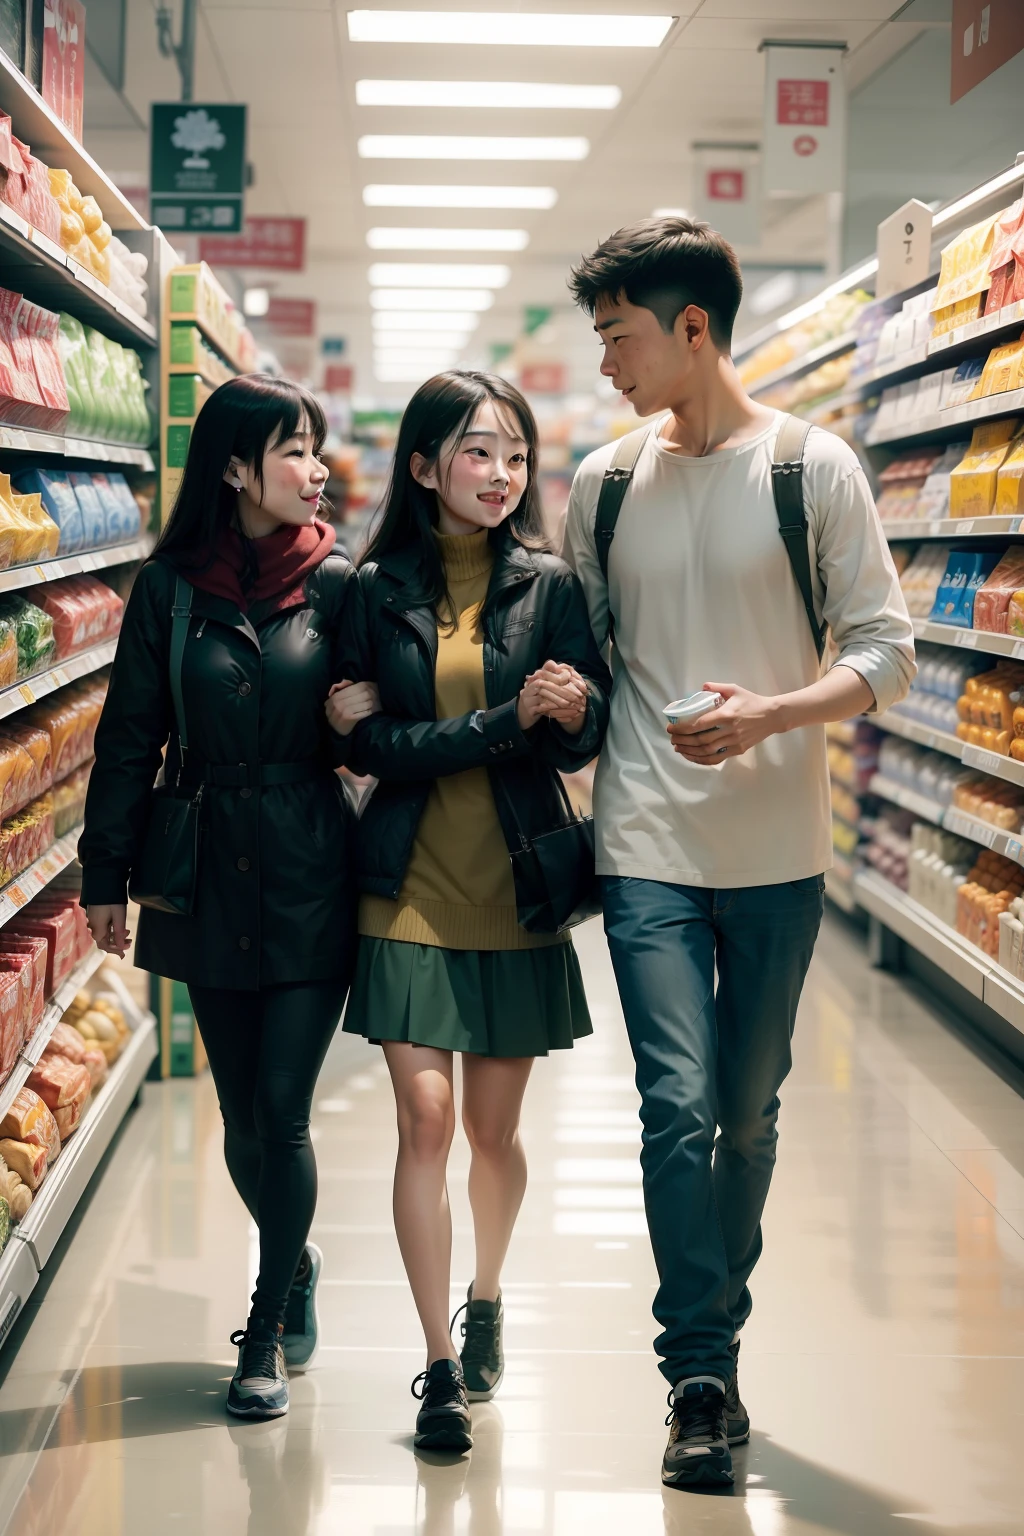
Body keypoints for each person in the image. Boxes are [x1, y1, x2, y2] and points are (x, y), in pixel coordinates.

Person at [562, 218, 916, 1489]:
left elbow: (886, 651)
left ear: (691, 329)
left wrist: (771, 712)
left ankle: (715, 1336)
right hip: (644, 841)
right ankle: (698, 1371)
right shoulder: (600, 482)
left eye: (619, 336)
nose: (607, 362)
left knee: (749, 1117)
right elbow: (594, 657)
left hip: (774, 847)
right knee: (675, 1106)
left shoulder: (811, 472)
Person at [327, 370, 611, 1455]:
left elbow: (576, 742)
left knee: (494, 1133)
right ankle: (438, 1368)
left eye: (515, 454)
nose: (500, 474)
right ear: (422, 466)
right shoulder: (370, 589)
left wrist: (576, 711)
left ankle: (485, 1295)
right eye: (478, 451)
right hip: (402, 886)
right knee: (427, 1122)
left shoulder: (552, 588)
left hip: (516, 882)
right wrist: (504, 718)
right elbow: (368, 747)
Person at [79, 375, 370, 1422]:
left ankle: (260, 1331)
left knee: (283, 1113)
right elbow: (127, 740)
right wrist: (102, 874)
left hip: (306, 860)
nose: (315, 468)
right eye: (295, 449)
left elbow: (382, 722)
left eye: (318, 448)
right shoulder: (168, 591)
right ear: (237, 468)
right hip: (201, 864)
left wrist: (358, 719)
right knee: (239, 1113)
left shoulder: (340, 583)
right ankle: (296, 1264)